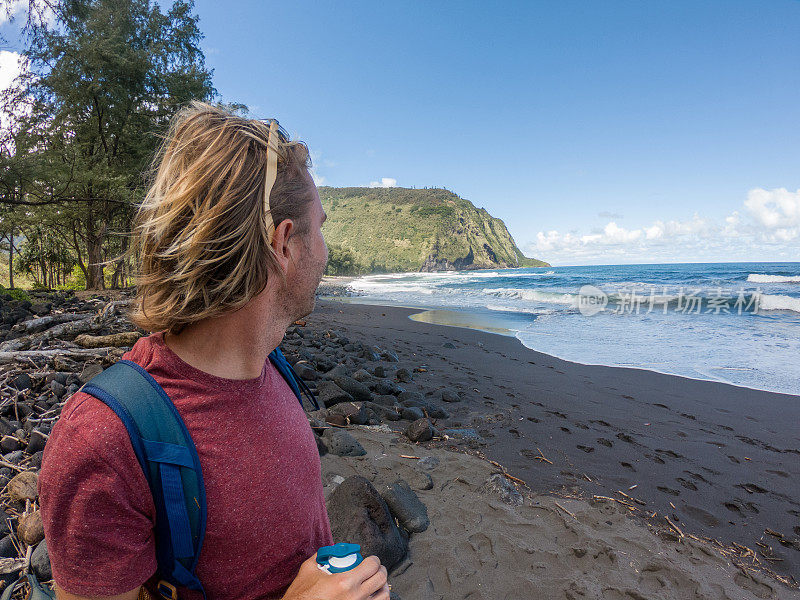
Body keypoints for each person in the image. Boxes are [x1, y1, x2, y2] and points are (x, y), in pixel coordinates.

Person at [38, 102, 391, 600]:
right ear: (284, 243)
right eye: (324, 227)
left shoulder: (269, 366)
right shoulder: (101, 441)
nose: (327, 251)